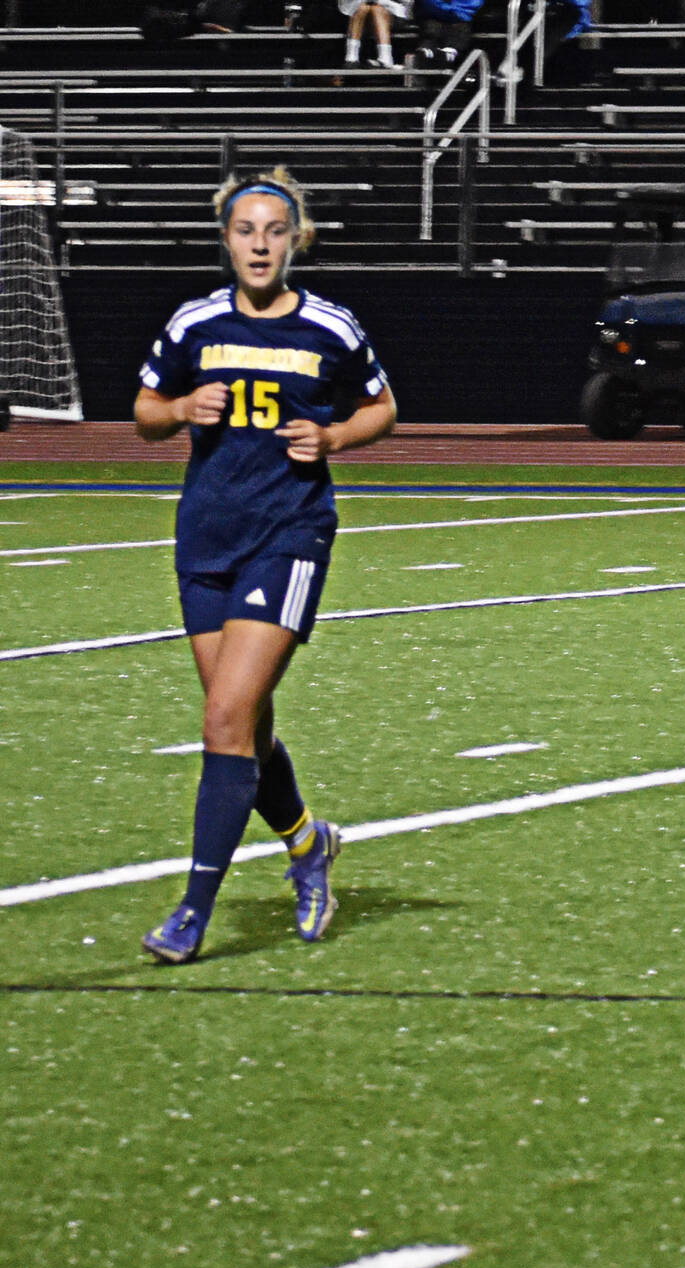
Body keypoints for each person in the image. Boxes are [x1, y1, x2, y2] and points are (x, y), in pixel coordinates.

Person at [132, 168, 397, 964]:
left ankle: (192, 912)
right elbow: (145, 411)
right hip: (206, 539)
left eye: (274, 231)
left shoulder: (329, 326)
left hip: (288, 534)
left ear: (295, 241)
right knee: (243, 723)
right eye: (245, 231)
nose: (259, 244)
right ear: (226, 239)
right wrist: (181, 409)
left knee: (224, 719)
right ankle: (308, 844)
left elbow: (382, 407)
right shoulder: (195, 321)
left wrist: (335, 437)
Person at [337, 0, 405, 68]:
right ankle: (351, 58)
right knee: (362, 8)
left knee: (377, 9)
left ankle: (385, 58)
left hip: (389, 12)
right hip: (356, 12)